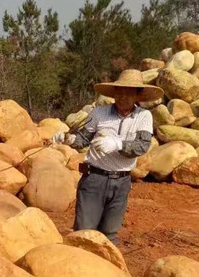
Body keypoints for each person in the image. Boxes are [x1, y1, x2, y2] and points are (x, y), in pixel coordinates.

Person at [52, 71, 163, 243]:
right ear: (114, 93)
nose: (123, 97)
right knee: (84, 231)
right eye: (120, 91)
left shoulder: (143, 116)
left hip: (122, 181)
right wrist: (68, 139)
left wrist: (117, 144)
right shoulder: (99, 113)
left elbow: (142, 146)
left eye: (129, 92)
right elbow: (82, 139)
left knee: (110, 235)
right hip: (94, 178)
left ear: (137, 95)